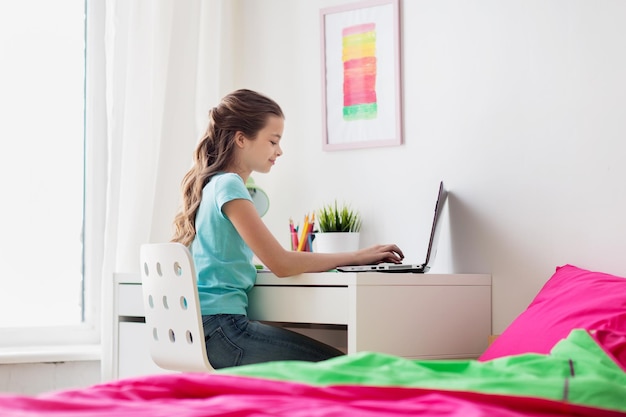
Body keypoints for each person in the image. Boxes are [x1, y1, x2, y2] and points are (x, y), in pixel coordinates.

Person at [171, 89, 404, 369]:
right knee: (344, 366)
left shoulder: (211, 186)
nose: (279, 151)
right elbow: (281, 263)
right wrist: (356, 257)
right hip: (224, 331)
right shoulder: (229, 185)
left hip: (206, 330)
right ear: (241, 139)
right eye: (273, 141)